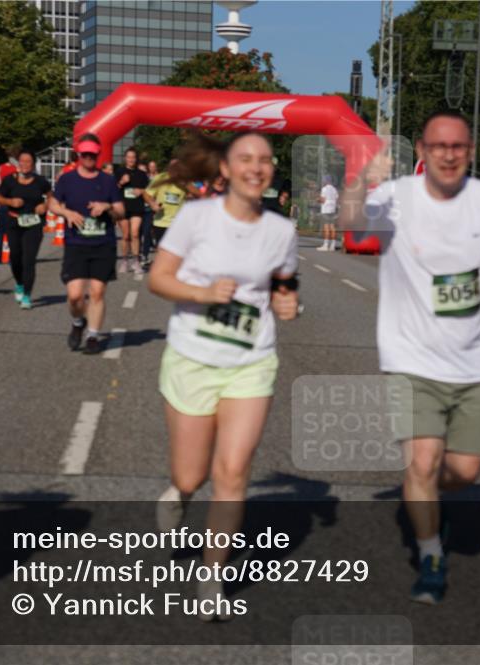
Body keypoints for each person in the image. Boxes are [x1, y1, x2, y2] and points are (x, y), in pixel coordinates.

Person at [338, 110, 480, 605]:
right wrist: (366, 175)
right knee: (423, 463)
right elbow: (349, 219)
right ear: (423, 152)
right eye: (438, 146)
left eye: (459, 147)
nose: (449, 154)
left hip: (475, 361)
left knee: (463, 474)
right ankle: (430, 556)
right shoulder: (398, 197)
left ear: (469, 152)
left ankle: (425, 493)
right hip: (411, 358)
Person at [147, 131, 299, 621]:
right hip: (192, 356)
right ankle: (179, 493)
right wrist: (207, 294)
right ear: (226, 169)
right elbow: (158, 278)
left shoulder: (282, 230)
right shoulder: (195, 218)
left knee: (232, 472)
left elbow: (284, 281)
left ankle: (211, 578)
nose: (257, 167)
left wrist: (288, 301)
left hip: (252, 362)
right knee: (191, 474)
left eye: (266, 160)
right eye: (246, 159)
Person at [47, 134, 125, 354]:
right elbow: (52, 203)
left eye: (93, 154)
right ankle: (78, 322)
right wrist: (66, 212)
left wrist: (107, 206)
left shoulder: (107, 181)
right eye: (85, 154)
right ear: (79, 154)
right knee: (74, 296)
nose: (89, 157)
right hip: (76, 244)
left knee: (97, 292)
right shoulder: (67, 179)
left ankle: (92, 335)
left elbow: (121, 211)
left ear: (98, 154)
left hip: (103, 244)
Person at [0, 150, 51, 308]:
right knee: (15, 258)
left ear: (33, 164)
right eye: (22, 161)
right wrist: (10, 202)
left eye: (28, 161)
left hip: (34, 223)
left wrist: (45, 205)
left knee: (29, 260)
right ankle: (19, 283)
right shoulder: (9, 181)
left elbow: (52, 196)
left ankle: (26, 295)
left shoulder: (40, 181)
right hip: (14, 222)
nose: (25, 164)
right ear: (18, 163)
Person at [114, 147, 150, 274]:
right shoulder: (119, 171)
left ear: (136, 159)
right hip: (123, 207)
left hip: (137, 206)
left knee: (135, 234)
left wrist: (141, 191)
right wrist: (122, 182)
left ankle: (136, 261)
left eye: (133, 157)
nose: (131, 159)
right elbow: (114, 189)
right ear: (125, 158)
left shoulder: (141, 174)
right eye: (128, 157)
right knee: (126, 235)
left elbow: (147, 190)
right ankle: (124, 260)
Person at [143, 158, 188, 257]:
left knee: (177, 252)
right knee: (162, 251)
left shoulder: (185, 180)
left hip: (178, 222)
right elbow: (146, 194)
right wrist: (152, 204)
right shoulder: (160, 178)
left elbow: (198, 194)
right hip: (161, 221)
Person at [0, 147, 20, 265]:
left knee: (0, 230)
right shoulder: (18, 169)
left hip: (4, 201)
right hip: (16, 201)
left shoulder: (1, 168)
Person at [317, 174, 338, 251]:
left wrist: (318, 199)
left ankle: (325, 245)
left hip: (326, 209)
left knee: (326, 227)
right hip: (333, 209)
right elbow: (336, 198)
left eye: (324, 180)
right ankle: (333, 245)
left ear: (326, 180)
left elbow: (323, 200)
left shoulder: (324, 189)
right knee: (332, 227)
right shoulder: (334, 189)